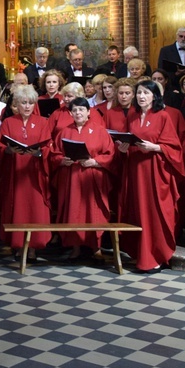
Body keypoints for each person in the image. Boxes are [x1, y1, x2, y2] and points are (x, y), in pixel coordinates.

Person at [117, 80, 184, 273]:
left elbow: (174, 146)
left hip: (155, 170)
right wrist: (124, 147)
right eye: (139, 93)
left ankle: (157, 255)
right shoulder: (133, 115)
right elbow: (130, 139)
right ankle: (141, 253)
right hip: (136, 169)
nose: (141, 96)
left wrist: (155, 147)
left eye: (146, 93)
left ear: (154, 96)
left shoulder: (162, 116)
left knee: (154, 212)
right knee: (138, 211)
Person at [49, 97, 117, 260]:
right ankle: (75, 246)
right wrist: (62, 160)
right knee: (73, 211)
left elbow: (110, 154)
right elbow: (55, 154)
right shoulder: (64, 131)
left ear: (88, 112)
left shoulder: (100, 130)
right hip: (72, 177)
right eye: (74, 110)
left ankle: (95, 247)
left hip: (92, 177)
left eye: (81, 109)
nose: (78, 113)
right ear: (71, 113)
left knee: (94, 211)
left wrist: (95, 161)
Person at [0, 85, 52, 261]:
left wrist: (40, 153)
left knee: (35, 208)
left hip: (35, 173)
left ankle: (34, 246)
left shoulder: (43, 122)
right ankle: (18, 245)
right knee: (18, 207)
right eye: (23, 103)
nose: (27, 106)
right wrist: (8, 151)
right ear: (16, 104)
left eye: (30, 103)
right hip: (16, 173)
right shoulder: (8, 122)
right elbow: (0, 146)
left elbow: (49, 146)